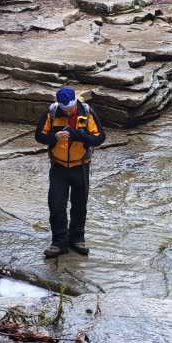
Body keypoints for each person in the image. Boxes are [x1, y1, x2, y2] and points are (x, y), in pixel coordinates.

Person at [35, 87, 105, 258]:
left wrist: (80, 136)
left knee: (79, 206)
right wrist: (54, 137)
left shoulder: (87, 112)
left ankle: (77, 239)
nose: (68, 111)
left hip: (80, 166)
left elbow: (100, 138)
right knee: (56, 205)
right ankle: (59, 243)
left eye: (71, 108)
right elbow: (39, 136)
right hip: (58, 167)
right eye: (65, 109)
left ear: (75, 101)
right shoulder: (51, 113)